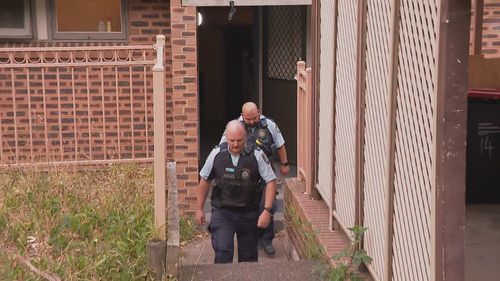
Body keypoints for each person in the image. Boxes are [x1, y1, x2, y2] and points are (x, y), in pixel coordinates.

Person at [196, 120, 277, 263]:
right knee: (222, 252)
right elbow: (204, 180)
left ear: (245, 137)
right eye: (232, 140)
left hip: (249, 212)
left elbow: (270, 181)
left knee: (248, 257)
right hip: (223, 212)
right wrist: (199, 209)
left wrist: (266, 211)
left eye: (239, 140)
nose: (235, 144)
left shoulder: (257, 154)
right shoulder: (216, 153)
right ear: (226, 137)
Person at [220, 102, 289, 256]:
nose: (251, 122)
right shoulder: (235, 126)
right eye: (248, 119)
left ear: (259, 112)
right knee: (248, 208)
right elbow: (222, 148)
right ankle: (252, 240)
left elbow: (280, 144)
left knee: (267, 207)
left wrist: (284, 164)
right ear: (242, 115)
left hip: (265, 173)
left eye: (254, 118)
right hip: (243, 176)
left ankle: (267, 240)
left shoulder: (269, 125)